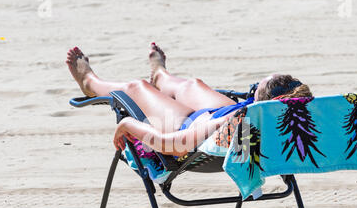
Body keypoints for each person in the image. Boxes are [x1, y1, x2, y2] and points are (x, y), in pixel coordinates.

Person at [66, 43, 312, 156]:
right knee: (193, 85)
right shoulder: (292, 122)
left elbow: (172, 145)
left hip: (190, 125)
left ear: (261, 102)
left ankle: (90, 83)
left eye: (256, 88)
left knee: (136, 87)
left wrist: (126, 125)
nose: (251, 89)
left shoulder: (233, 124)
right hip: (231, 123)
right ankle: (161, 76)